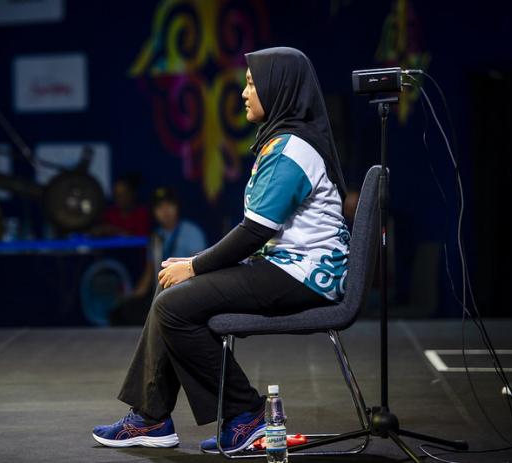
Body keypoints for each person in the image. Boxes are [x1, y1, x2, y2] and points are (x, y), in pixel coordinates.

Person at [92, 47, 350, 454]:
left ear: (277, 88)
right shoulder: (284, 141)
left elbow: (253, 233)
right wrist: (189, 267)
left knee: (174, 307)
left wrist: (195, 266)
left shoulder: (293, 150)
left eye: (251, 84)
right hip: (286, 267)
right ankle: (152, 417)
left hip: (304, 276)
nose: (244, 93)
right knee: (169, 290)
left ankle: (244, 414)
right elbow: (258, 235)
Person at [110, 187, 206, 325]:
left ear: (177, 207)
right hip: (161, 294)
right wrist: (130, 297)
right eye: (160, 207)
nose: (165, 211)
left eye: (169, 205)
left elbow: (200, 269)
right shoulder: (155, 236)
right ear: (154, 212)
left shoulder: (192, 232)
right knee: (123, 311)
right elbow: (149, 275)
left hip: (186, 293)